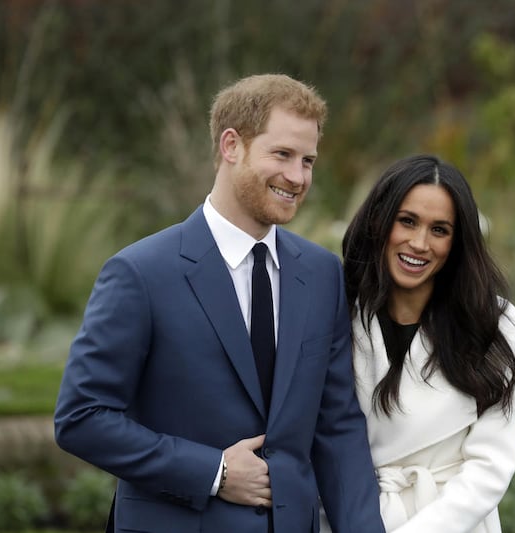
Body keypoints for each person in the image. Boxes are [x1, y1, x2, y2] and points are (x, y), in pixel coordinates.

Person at [54, 74, 385, 533]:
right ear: (232, 146)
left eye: (308, 160)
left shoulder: (322, 273)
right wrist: (214, 472)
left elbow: (338, 427)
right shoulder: (140, 273)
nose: (297, 177)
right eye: (282, 154)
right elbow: (82, 418)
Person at [332, 154, 515, 533]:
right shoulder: (336, 314)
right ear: (378, 220)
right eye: (407, 221)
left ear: (457, 242)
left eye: (440, 230)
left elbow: (491, 465)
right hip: (352, 518)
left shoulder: (495, 323)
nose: (420, 243)